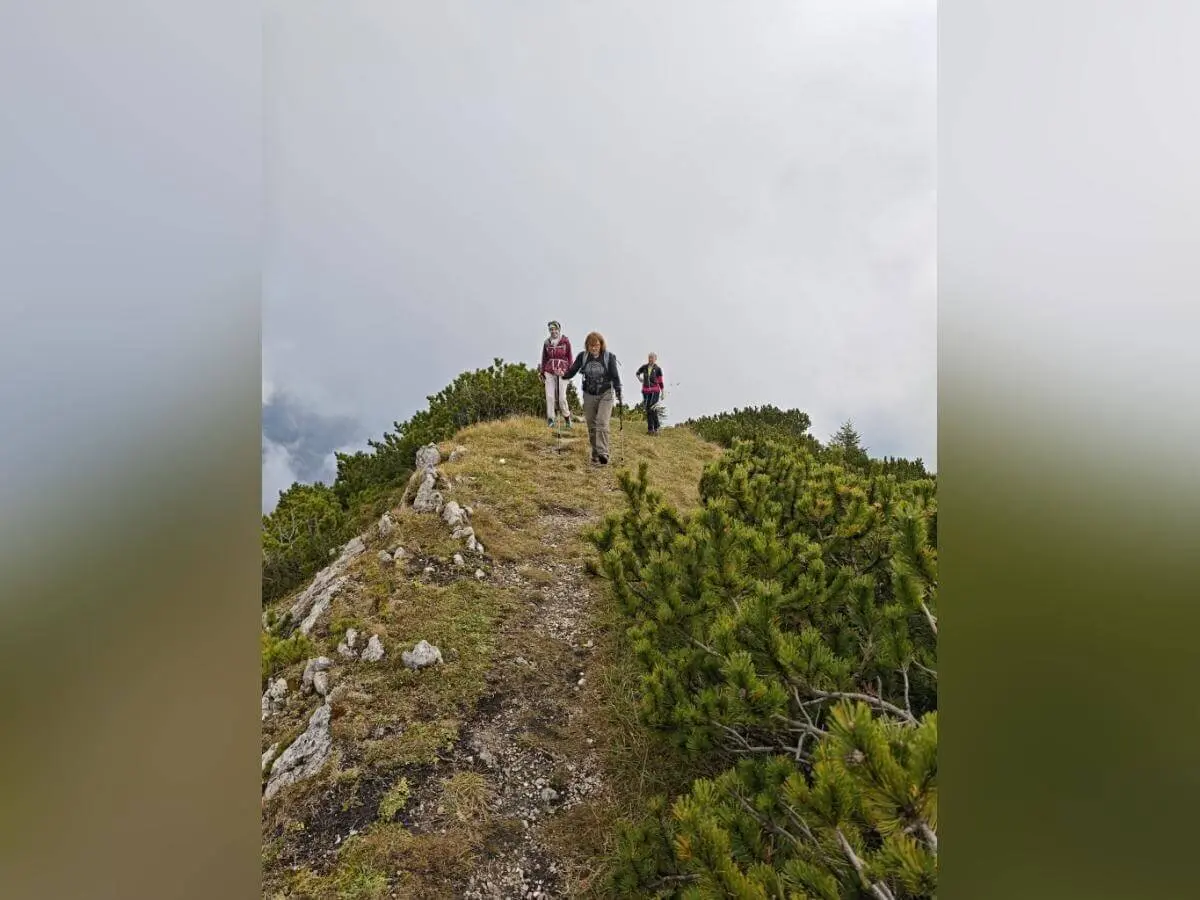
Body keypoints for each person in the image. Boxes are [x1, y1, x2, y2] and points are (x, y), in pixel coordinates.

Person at [563, 331, 622, 465]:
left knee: (602, 421)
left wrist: (618, 391)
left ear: (601, 345)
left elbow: (615, 376)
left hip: (605, 394)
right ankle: (595, 453)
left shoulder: (609, 357)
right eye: (591, 346)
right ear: (587, 346)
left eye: (596, 345)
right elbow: (572, 371)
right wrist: (562, 376)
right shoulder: (583, 357)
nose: (594, 348)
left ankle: (603, 453)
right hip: (589, 394)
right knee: (591, 425)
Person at [539, 320, 573, 429]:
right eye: (551, 329)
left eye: (555, 329)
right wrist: (542, 372)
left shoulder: (565, 341)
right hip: (549, 371)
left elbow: (570, 357)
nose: (553, 331)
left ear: (559, 329)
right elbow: (544, 358)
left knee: (562, 397)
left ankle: (567, 417)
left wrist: (569, 371)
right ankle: (551, 419)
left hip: (562, 371)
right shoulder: (546, 343)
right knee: (549, 396)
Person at [635, 353, 665, 435]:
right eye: (649, 358)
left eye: (652, 358)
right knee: (648, 409)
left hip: (655, 390)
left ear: (655, 359)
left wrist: (663, 392)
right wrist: (639, 378)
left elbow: (660, 381)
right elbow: (637, 373)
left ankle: (657, 427)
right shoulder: (644, 367)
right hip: (645, 391)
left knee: (652, 407)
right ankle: (650, 429)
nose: (650, 359)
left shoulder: (658, 369)